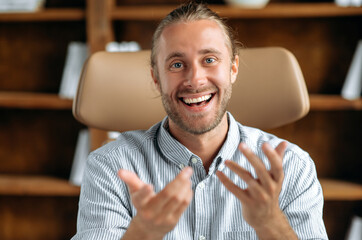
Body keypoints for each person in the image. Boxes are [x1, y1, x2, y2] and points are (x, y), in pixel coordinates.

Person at [72, 2, 328, 240]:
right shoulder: (110, 168)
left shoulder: (293, 167)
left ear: (233, 69)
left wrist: (271, 224)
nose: (195, 80)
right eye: (176, 64)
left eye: (209, 60)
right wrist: (142, 234)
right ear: (156, 78)